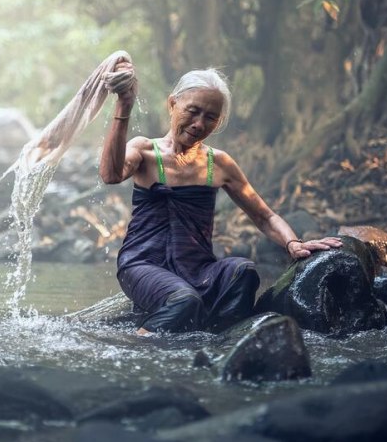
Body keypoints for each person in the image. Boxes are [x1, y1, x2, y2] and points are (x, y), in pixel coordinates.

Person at [100, 64, 341, 333]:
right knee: (184, 301)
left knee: (244, 273)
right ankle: (136, 343)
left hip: (198, 268)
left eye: (210, 117)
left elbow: (264, 216)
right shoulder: (144, 149)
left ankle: (221, 340)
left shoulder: (219, 163)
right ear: (172, 104)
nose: (199, 124)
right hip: (142, 264)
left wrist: (293, 244)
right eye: (193, 111)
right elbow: (111, 174)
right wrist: (124, 105)